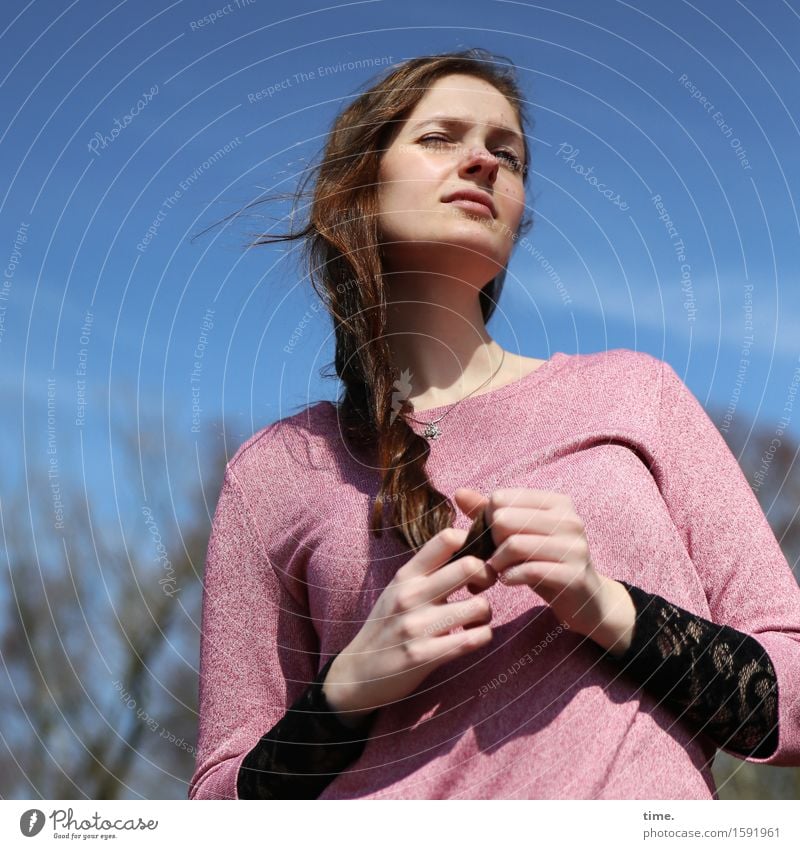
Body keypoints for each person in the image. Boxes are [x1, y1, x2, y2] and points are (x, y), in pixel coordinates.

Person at [188, 49, 800, 801]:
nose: (482, 161)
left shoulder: (638, 393)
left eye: (505, 154)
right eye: (441, 137)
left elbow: (790, 701)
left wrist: (606, 603)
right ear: (360, 187)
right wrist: (344, 691)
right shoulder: (275, 470)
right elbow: (218, 802)